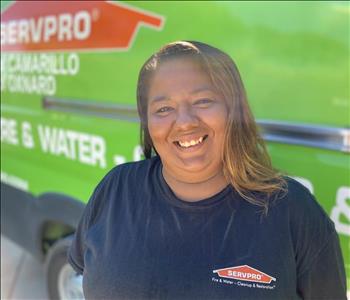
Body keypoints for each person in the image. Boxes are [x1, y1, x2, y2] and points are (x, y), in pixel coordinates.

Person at [68, 41, 347, 299]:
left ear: (233, 110)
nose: (185, 122)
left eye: (203, 101)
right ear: (147, 122)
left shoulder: (293, 210)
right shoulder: (115, 189)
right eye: (164, 109)